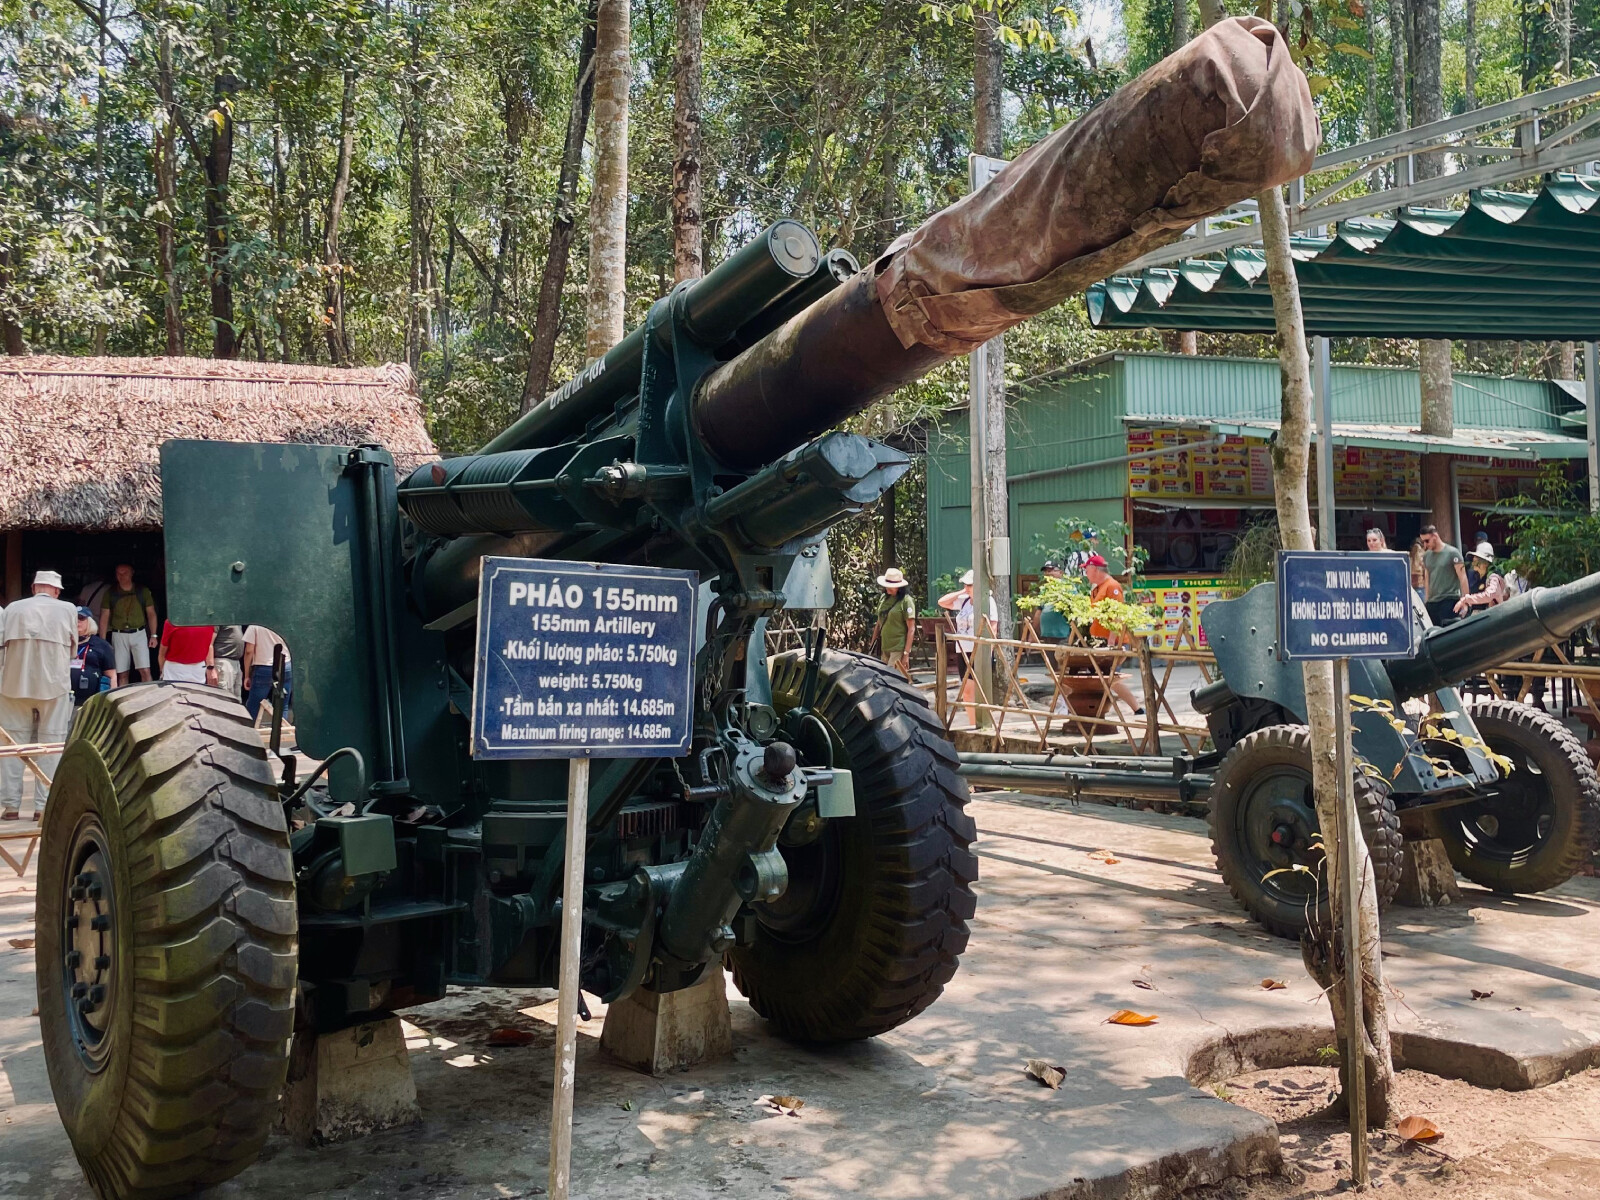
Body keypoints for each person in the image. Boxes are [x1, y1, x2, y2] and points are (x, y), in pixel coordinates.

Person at [0, 571, 77, 821]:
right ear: (56, 590)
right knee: (52, 745)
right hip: (53, 686)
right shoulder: (67, 609)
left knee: (12, 747)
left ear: (34, 587)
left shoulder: (12, 608)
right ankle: (43, 808)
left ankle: (10, 807)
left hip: (13, 685)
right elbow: (73, 653)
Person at [1082, 553, 1142, 715]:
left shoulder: (1112, 586)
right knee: (1103, 678)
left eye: (1086, 570)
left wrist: (1111, 643)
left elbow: (1117, 616)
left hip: (1113, 642)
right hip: (1098, 640)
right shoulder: (1096, 589)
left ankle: (1137, 709)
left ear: (1094, 569)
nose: (1085, 574)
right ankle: (1098, 710)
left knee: (1109, 678)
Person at [937, 570, 997, 726]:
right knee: (966, 690)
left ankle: (983, 723)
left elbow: (993, 626)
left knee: (977, 688)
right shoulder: (963, 601)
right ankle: (972, 723)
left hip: (979, 650)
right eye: (966, 584)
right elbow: (942, 602)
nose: (968, 587)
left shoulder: (988, 601)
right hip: (962, 649)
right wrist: (963, 591)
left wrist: (989, 651)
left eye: (970, 585)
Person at [99, 563, 158, 684]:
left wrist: (154, 635)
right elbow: (104, 616)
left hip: (139, 632)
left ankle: (148, 696)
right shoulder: (110, 593)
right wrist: (102, 641)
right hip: (118, 633)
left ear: (132, 573)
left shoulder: (142, 591)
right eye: (118, 573)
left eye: (125, 572)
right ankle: (123, 699)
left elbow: (151, 613)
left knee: (145, 670)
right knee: (122, 673)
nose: (121, 576)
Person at [871, 567, 916, 680]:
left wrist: (906, 654)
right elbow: (879, 621)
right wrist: (872, 643)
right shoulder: (883, 598)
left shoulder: (906, 601)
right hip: (884, 646)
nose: (888, 588)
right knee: (883, 678)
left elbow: (911, 628)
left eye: (891, 585)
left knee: (891, 679)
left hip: (898, 647)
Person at [1420, 524, 1470, 627]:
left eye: (1427, 541)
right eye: (1423, 542)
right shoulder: (1427, 556)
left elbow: (1463, 577)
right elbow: (1427, 577)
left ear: (1435, 536)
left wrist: (1465, 601)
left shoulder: (1452, 553)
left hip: (1449, 599)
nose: (1425, 545)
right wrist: (1427, 600)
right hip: (1432, 602)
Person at [243, 624, 293, 721]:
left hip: (263, 667)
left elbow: (249, 651)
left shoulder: (254, 625)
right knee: (283, 705)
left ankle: (250, 732)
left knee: (254, 706)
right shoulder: (283, 622)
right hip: (285, 665)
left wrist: (246, 675)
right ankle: (282, 732)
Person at [71, 608, 117, 706]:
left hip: (92, 702)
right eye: (74, 618)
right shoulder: (64, 643)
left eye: (81, 618)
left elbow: (111, 675)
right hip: (65, 700)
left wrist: (111, 703)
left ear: (90, 622)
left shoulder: (102, 645)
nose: (77, 621)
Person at [1454, 543, 1508, 616]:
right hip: (1477, 616)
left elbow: (1488, 596)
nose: (1473, 561)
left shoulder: (1494, 577)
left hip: (1493, 617)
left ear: (1485, 563)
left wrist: (1465, 599)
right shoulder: (1475, 576)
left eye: (1477, 559)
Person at [158, 620, 217, 685]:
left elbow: (162, 653)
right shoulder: (208, 622)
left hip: (182, 670)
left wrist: (162, 670)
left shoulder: (172, 622)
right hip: (180, 670)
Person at [1037, 562, 1072, 643]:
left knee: (1061, 655)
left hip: (1062, 635)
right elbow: (1039, 611)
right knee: (1048, 655)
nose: (1048, 574)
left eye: (1051, 571)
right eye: (1046, 571)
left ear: (1060, 572)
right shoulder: (1044, 589)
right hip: (1046, 634)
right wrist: (1032, 635)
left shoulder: (1068, 587)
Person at [212, 623, 246, 700]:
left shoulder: (236, 620)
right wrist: (211, 667)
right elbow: (209, 644)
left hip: (236, 662)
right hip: (223, 661)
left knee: (237, 698)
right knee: (225, 697)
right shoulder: (220, 618)